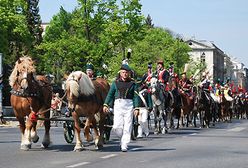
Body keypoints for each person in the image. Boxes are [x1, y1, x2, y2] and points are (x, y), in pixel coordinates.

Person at [103, 64, 139, 152]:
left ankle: (124, 144)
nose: (125, 74)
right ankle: (121, 138)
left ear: (129, 73)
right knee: (117, 127)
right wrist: (106, 104)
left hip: (129, 104)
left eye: (126, 72)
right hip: (118, 104)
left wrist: (136, 108)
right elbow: (110, 94)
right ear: (120, 73)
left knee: (128, 125)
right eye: (123, 72)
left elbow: (135, 96)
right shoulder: (115, 83)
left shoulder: (133, 84)